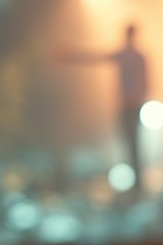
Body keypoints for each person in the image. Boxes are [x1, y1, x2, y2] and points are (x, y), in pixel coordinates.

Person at [59, 24, 148, 193]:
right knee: (131, 141)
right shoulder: (136, 56)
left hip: (130, 104)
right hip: (129, 104)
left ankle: (136, 182)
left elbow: (97, 57)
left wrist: (70, 56)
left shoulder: (132, 56)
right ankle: (136, 181)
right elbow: (97, 57)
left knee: (130, 141)